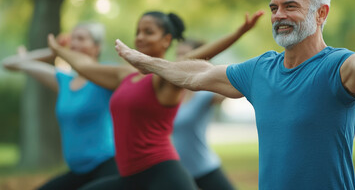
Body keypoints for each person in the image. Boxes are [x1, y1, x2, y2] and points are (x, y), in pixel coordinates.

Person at [114, 0, 355, 190]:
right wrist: (147, 62)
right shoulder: (261, 69)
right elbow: (199, 74)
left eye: (290, 6)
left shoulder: (337, 67)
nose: (278, 15)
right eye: (274, 7)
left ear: (321, 13)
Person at [47, 10, 263, 190]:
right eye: (138, 32)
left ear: (166, 40)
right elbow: (85, 66)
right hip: (131, 179)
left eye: (148, 32)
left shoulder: (166, 78)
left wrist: (238, 33)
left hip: (163, 176)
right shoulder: (124, 75)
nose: (140, 37)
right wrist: (58, 50)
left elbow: (196, 56)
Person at [2, 23, 118, 190]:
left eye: (81, 38)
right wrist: (52, 51)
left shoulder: (106, 74)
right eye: (73, 39)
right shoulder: (64, 80)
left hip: (106, 166)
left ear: (97, 47)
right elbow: (10, 63)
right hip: (76, 171)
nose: (75, 43)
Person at [173, 39, 235, 190]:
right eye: (178, 55)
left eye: (186, 55)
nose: (180, 59)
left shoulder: (205, 93)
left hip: (204, 168)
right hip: (176, 171)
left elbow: (232, 87)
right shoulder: (168, 92)